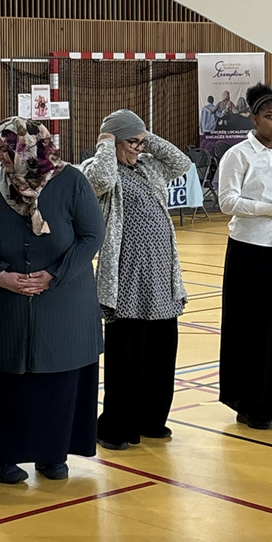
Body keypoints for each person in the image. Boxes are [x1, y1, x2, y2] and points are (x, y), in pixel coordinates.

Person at [0, 117, 104, 483]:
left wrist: (55, 274)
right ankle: (1, 457)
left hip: (63, 304)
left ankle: (52, 455)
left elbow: (91, 235)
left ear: (29, 149)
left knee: (57, 381)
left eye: (6, 150)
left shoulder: (72, 182)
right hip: (3, 305)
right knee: (6, 382)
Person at [80, 110, 192, 450]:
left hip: (161, 276)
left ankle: (152, 420)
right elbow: (100, 181)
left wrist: (143, 136)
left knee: (161, 353)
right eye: (133, 142)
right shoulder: (95, 168)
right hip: (126, 277)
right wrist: (107, 142)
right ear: (113, 141)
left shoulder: (148, 166)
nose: (139, 149)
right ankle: (116, 427)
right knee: (126, 355)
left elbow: (182, 163)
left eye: (142, 143)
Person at [217, 83, 272, 430]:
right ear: (254, 119)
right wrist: (269, 208)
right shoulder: (238, 155)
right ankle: (251, 402)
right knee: (252, 327)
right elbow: (227, 201)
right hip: (250, 249)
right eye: (270, 117)